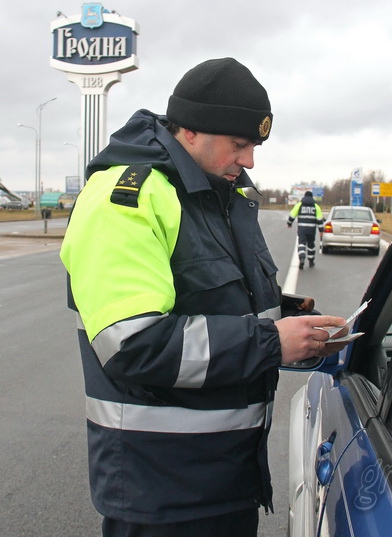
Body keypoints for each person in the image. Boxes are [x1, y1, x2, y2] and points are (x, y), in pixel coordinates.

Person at [59, 57, 348, 537]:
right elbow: (133, 344)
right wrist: (271, 341)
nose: (250, 159)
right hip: (164, 490)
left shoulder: (221, 193)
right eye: (240, 144)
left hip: (224, 479)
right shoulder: (126, 197)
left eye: (254, 146)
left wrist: (298, 321)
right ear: (190, 131)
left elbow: (211, 294)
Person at [287, 191, 324, 269]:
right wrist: (321, 230)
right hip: (311, 229)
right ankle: (311, 261)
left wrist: (289, 223)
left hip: (302, 229)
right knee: (311, 245)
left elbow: (292, 215)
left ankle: (302, 258)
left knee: (302, 244)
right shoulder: (315, 206)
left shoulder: (299, 205)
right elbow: (319, 219)